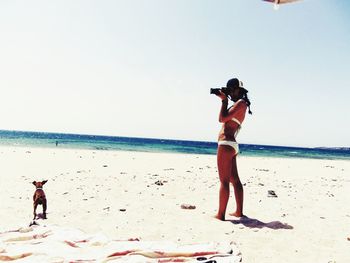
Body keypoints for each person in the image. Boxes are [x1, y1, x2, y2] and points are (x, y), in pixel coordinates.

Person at [214, 78, 252, 221]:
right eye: (228, 91)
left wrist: (224, 101)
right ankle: (238, 212)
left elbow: (222, 118)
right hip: (231, 145)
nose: (230, 93)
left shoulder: (241, 103)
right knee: (234, 180)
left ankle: (220, 215)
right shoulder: (240, 104)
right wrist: (226, 100)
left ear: (237, 90)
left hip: (226, 144)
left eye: (231, 90)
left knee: (224, 181)